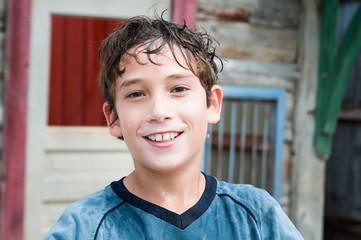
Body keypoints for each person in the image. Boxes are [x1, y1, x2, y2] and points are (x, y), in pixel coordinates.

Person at [44, 15, 303, 239]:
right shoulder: (84, 228)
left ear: (212, 104)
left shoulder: (256, 218)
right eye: (136, 94)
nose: (159, 112)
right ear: (113, 119)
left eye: (178, 89)